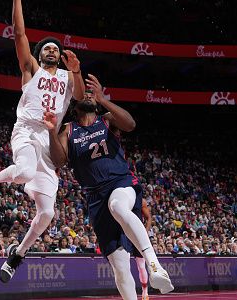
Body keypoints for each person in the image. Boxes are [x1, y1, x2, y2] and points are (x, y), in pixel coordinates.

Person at [0, 0, 86, 283]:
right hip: (26, 132)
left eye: (56, 49)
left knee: (47, 213)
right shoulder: (30, 70)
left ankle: (17, 253)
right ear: (38, 53)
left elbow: (81, 97)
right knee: (24, 170)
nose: (52, 50)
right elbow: (19, 34)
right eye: (47, 47)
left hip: (49, 145)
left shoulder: (65, 76)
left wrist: (76, 70)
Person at [46, 76, 174, 299]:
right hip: (95, 197)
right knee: (120, 265)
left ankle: (155, 265)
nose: (87, 94)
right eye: (83, 93)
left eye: (90, 93)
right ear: (74, 102)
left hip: (120, 182)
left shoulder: (106, 119)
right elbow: (59, 161)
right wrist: (50, 131)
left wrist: (103, 99)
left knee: (117, 205)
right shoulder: (68, 130)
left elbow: (131, 124)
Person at [133, 198, 153, 300]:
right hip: (124, 234)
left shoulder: (141, 201)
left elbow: (149, 217)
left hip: (138, 234)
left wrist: (145, 231)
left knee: (141, 266)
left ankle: (145, 291)